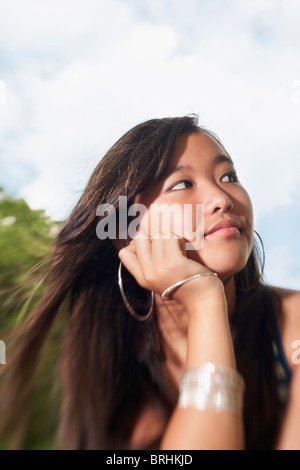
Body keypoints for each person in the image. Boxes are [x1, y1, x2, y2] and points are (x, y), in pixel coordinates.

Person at [0, 115, 299, 450]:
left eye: (228, 176)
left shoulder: (293, 327)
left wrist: (204, 303)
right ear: (129, 230)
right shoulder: (110, 366)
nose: (221, 198)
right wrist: (206, 304)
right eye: (183, 184)